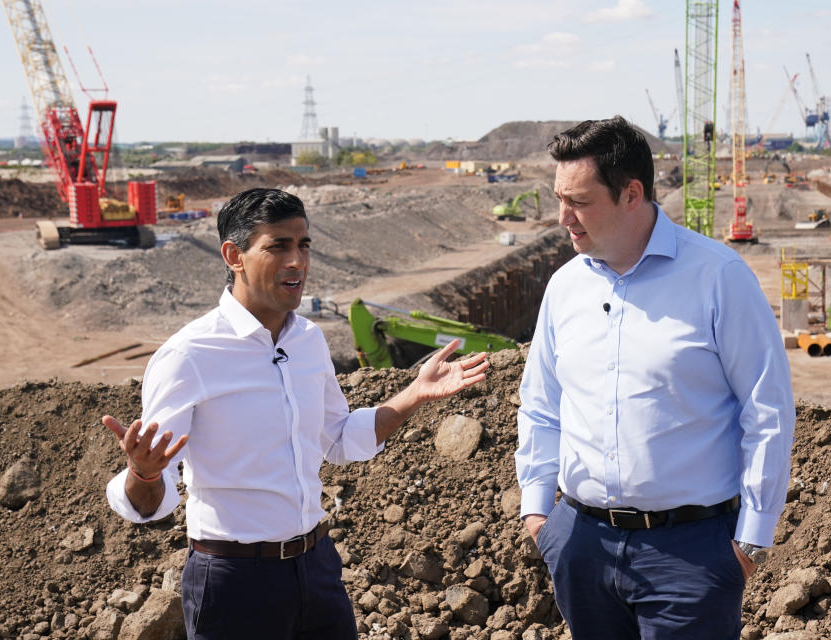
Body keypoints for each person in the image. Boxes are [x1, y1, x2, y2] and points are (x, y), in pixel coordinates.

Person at [103, 187, 489, 640]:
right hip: (234, 583)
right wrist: (144, 474)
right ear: (234, 255)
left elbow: (339, 439)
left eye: (303, 245)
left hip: (317, 569)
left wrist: (413, 395)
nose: (297, 262)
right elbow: (151, 498)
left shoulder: (308, 340)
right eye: (278, 246)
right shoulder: (189, 355)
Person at [515, 116, 794, 639]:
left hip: (689, 553)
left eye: (578, 201)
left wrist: (750, 543)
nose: (562, 217)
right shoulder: (564, 287)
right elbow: (541, 406)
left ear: (631, 194)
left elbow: (768, 411)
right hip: (580, 544)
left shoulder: (718, 277)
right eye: (559, 198)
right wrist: (538, 517)